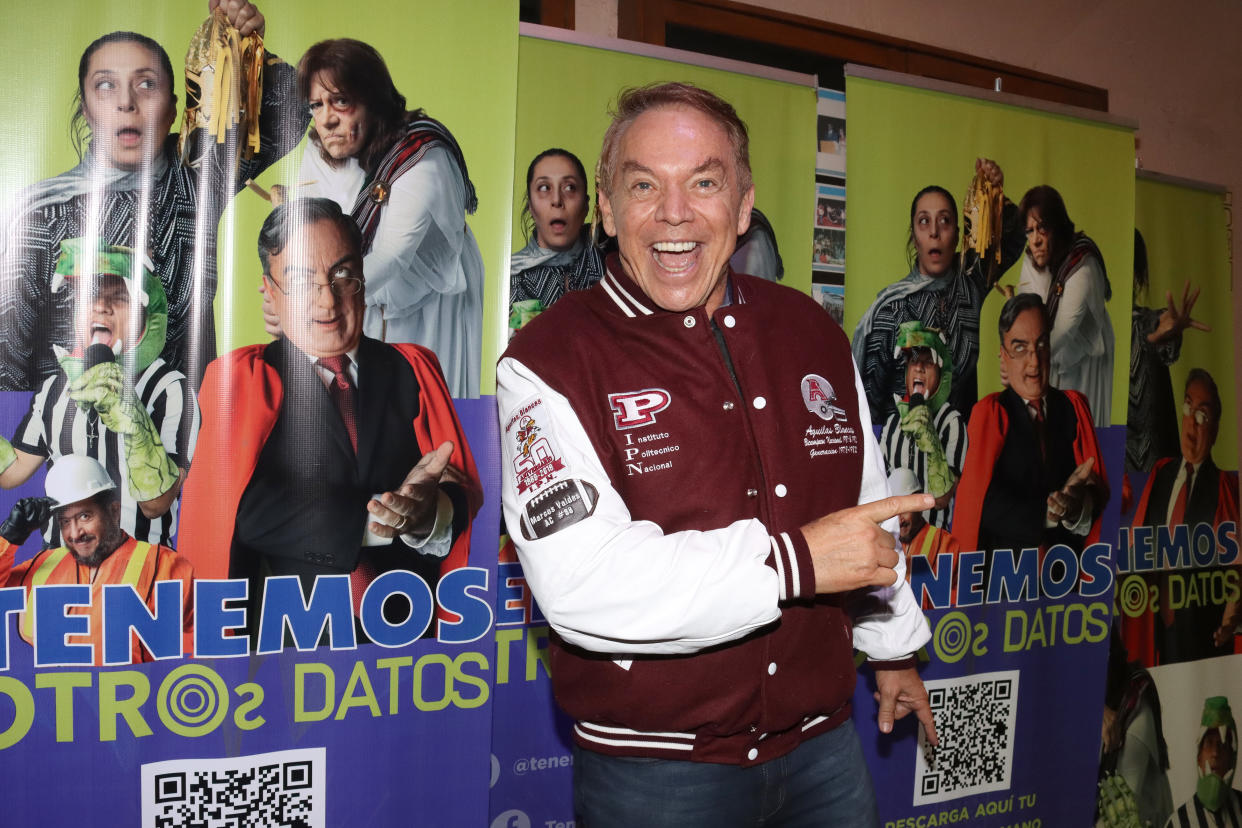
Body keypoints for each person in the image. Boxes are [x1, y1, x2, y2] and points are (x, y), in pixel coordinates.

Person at [499, 82, 937, 827]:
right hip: (657, 774)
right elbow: (582, 583)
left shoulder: (811, 331)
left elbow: (862, 507)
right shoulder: (547, 359)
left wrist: (892, 644)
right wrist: (792, 562)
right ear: (607, 208)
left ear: (742, 206)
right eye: (644, 185)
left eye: (704, 181)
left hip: (825, 748)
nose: (675, 212)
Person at [179, 198, 482, 641]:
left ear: (362, 276)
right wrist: (385, 523)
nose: (327, 300)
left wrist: (429, 514)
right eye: (301, 280)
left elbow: (460, 493)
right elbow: (247, 512)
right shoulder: (240, 380)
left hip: (415, 640)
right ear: (270, 292)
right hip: (287, 643)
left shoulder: (414, 369)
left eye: (342, 275)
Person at [0, 0, 306, 391]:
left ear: (174, 109)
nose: (126, 102)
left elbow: (294, 112)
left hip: (182, 428)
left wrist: (246, 46)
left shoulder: (195, 178)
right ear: (87, 110)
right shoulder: (40, 215)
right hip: (69, 436)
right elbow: (7, 356)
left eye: (147, 84)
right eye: (106, 85)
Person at [291, 39, 482, 398]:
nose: (327, 118)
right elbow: (309, 231)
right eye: (317, 105)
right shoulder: (322, 145)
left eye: (341, 101)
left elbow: (391, 257)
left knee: (424, 415)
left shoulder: (422, 157)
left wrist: (306, 302)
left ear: (373, 100)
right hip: (357, 295)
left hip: (427, 301)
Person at [0, 240, 197, 547]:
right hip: (62, 567)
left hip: (140, 567)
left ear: (145, 314)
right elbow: (11, 473)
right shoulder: (55, 388)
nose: (101, 306)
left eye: (119, 298)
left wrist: (133, 420)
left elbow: (156, 505)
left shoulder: (170, 388)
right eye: (91, 296)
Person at [853, 160, 1026, 423]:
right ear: (914, 236)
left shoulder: (969, 281)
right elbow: (869, 404)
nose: (934, 232)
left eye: (944, 221)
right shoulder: (891, 309)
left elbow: (1014, 238)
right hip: (901, 453)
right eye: (924, 222)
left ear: (957, 235)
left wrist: (995, 193)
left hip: (961, 449)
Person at [953, 293, 1108, 556]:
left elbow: (1100, 497)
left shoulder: (1074, 409)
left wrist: (1076, 507)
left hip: (1068, 579)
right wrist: (1047, 513)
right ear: (1003, 356)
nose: (1034, 362)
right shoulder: (990, 415)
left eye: (1041, 345)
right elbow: (983, 504)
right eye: (1020, 348)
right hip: (1008, 582)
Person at [0, 455, 194, 665]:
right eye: (65, 521)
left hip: (133, 694)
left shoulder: (165, 566)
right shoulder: (43, 565)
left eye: (85, 516)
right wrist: (8, 537)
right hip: (55, 695)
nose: (75, 533)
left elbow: (206, 649)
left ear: (114, 511)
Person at [1131, 369, 1240, 663]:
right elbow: (1137, 550)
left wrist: (1231, 620)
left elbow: (1237, 572)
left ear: (1215, 429)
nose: (1192, 422)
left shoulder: (1226, 488)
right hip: (1157, 636)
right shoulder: (1161, 474)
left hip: (1205, 643)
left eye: (1202, 416)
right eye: (1187, 408)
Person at [1016, 185, 1115, 427]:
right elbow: (1024, 311)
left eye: (1042, 228)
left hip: (1083, 360)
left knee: (1080, 437)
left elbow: (1062, 331)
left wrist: (1018, 361)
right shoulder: (1036, 256)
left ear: (1057, 227)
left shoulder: (1083, 265)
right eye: (1029, 231)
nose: (1035, 239)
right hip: (1048, 358)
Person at [878, 321, 967, 529]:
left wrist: (932, 442)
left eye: (928, 362)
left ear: (941, 373)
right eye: (913, 362)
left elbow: (943, 500)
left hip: (933, 544)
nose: (918, 367)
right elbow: (880, 489)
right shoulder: (892, 424)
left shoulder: (952, 421)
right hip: (896, 542)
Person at [509, 148, 604, 333]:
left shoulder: (612, 260)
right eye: (544, 188)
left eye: (569, 188)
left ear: (586, 204)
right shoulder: (513, 280)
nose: (557, 200)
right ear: (530, 206)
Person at [1165, 697, 1242, 827]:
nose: (1215, 753)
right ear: (1199, 757)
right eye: (1209, 744)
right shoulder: (1177, 823)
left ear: (1231, 758)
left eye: (1222, 746)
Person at [889, 468, 961, 608]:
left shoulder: (945, 544)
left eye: (905, 509)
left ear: (920, 504)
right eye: (894, 511)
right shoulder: (884, 543)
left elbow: (956, 605)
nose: (899, 520)